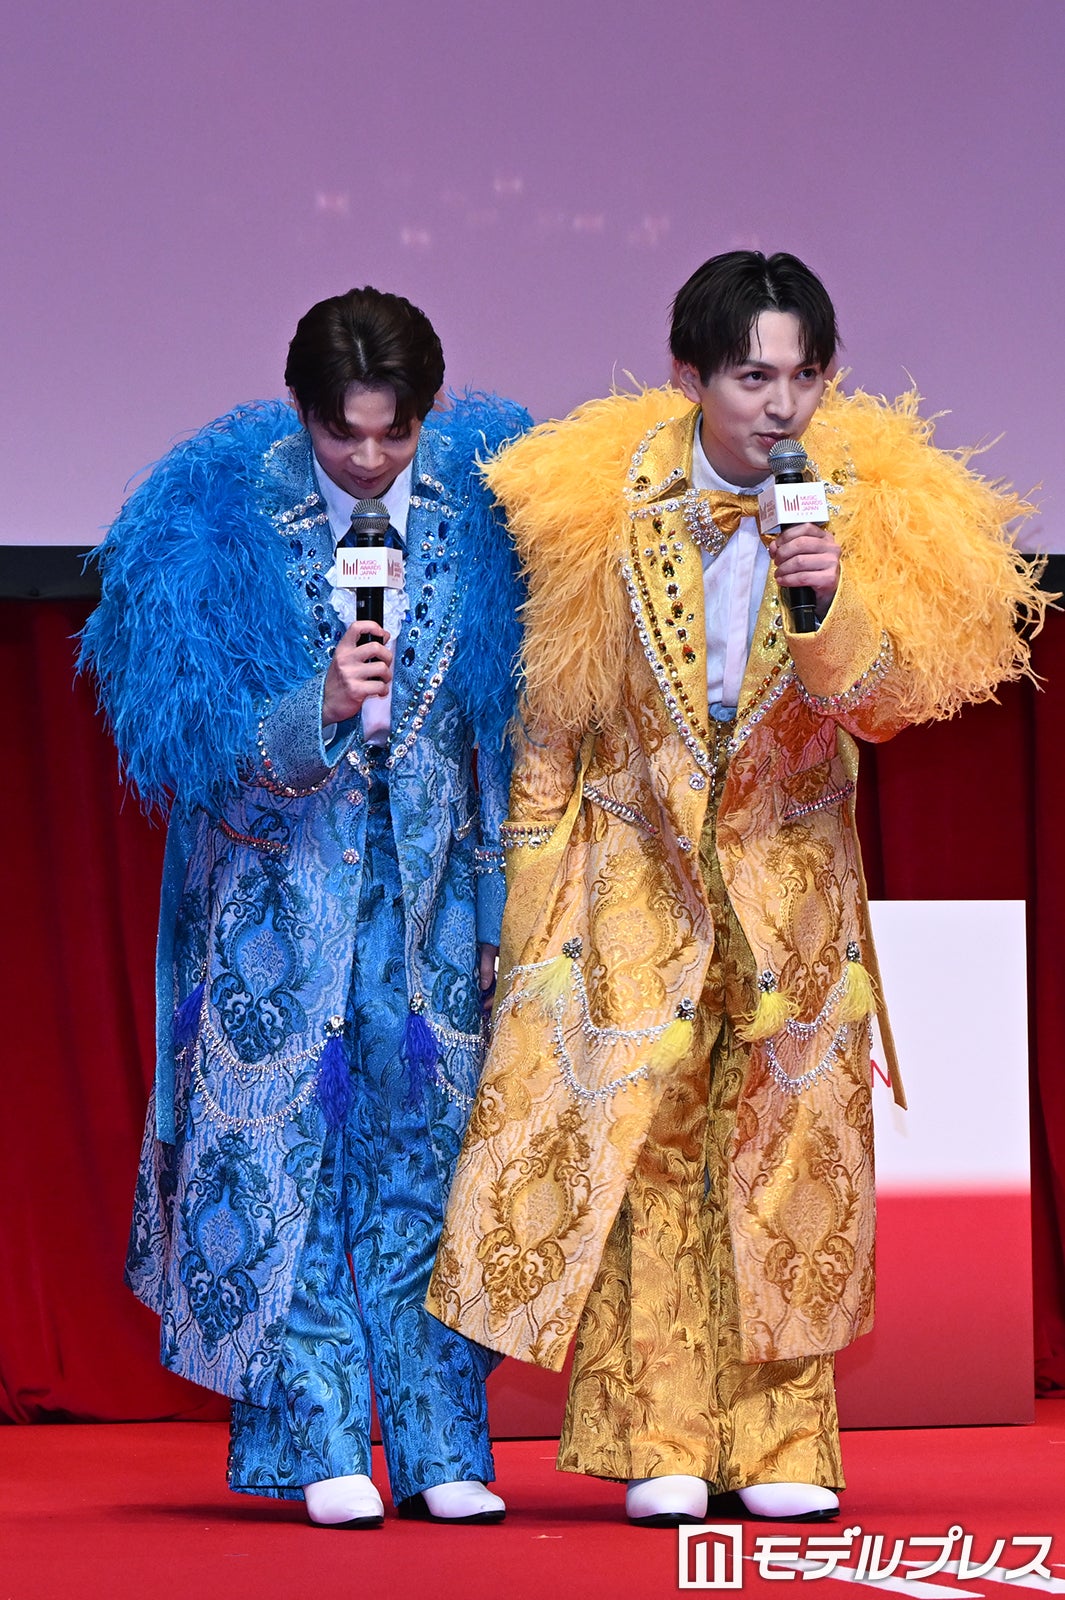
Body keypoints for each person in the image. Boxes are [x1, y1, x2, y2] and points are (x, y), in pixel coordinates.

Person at [427, 251, 1046, 1526]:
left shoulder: (872, 505)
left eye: (803, 376)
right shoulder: (600, 498)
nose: (781, 404)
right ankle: (658, 1433)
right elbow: (553, 726)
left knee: (789, 1157)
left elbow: (881, 708)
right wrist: (524, 915)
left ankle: (783, 1444)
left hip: (790, 883)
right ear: (690, 375)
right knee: (645, 1144)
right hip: (631, 877)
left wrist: (825, 598)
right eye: (753, 377)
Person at [82, 287, 530, 1528]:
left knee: (428, 1160)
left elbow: (507, 735)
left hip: (429, 905)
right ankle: (321, 1435)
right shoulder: (216, 520)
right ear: (304, 413)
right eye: (346, 435)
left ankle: (442, 1444)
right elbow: (192, 751)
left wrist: (501, 914)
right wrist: (316, 706)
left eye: (396, 434)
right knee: (287, 1159)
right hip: (276, 902)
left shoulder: (481, 519)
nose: (372, 461)